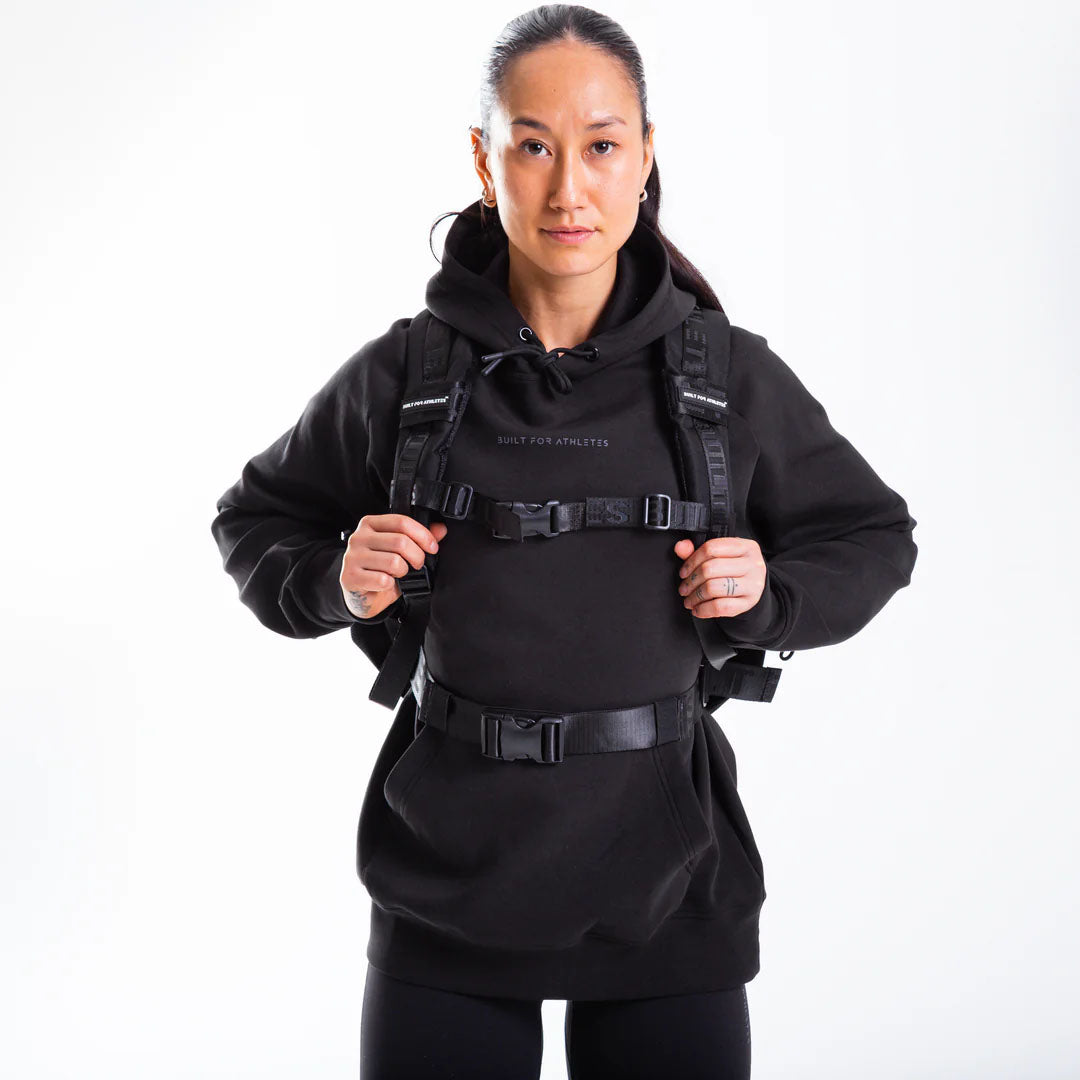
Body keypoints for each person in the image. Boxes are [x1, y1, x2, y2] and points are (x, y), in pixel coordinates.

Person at [209, 6, 918, 1078]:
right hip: (447, 877)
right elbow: (253, 518)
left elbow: (873, 534)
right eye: (533, 145)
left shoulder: (725, 377)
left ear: (646, 157)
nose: (568, 188)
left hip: (670, 877)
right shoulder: (406, 375)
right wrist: (332, 580)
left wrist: (771, 592)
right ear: (484, 162)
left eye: (602, 145)